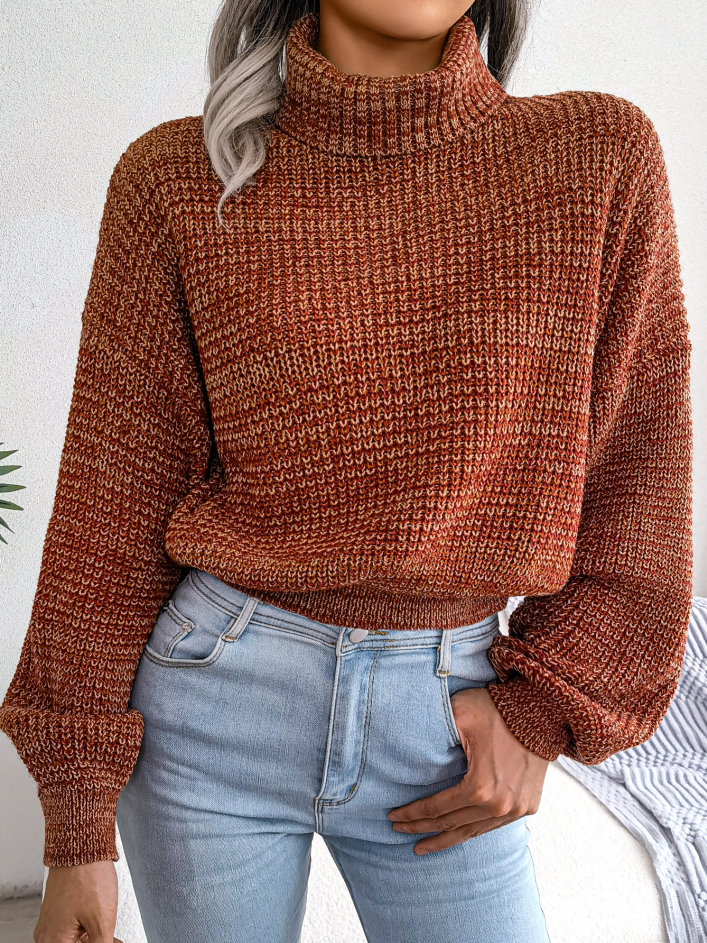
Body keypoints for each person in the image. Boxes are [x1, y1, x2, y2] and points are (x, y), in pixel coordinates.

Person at [0, 0, 693, 940]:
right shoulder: (176, 177)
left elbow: (636, 482)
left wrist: (543, 710)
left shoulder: (594, 157)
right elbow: (109, 505)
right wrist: (76, 829)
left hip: (444, 716)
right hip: (209, 710)